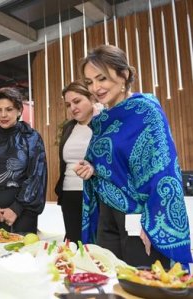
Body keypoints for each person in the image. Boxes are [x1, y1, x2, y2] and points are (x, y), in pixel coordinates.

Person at [74, 44, 192, 268]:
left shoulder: (146, 111)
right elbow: (108, 163)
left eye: (102, 79)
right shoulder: (103, 121)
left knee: (142, 282)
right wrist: (91, 168)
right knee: (109, 280)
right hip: (106, 214)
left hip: (140, 217)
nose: (96, 87)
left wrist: (153, 222)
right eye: (90, 82)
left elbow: (163, 171)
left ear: (123, 75)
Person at [0, 87, 47, 233]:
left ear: (19, 110)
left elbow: (37, 176)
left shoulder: (31, 138)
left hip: (23, 210)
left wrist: (16, 209)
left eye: (9, 109)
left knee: (23, 254)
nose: (3, 115)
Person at [55, 81, 99, 244]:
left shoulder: (104, 123)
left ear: (91, 98)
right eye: (68, 104)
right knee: (73, 242)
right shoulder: (69, 127)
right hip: (69, 194)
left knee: (95, 245)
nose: (72, 107)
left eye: (77, 101)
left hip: (95, 193)